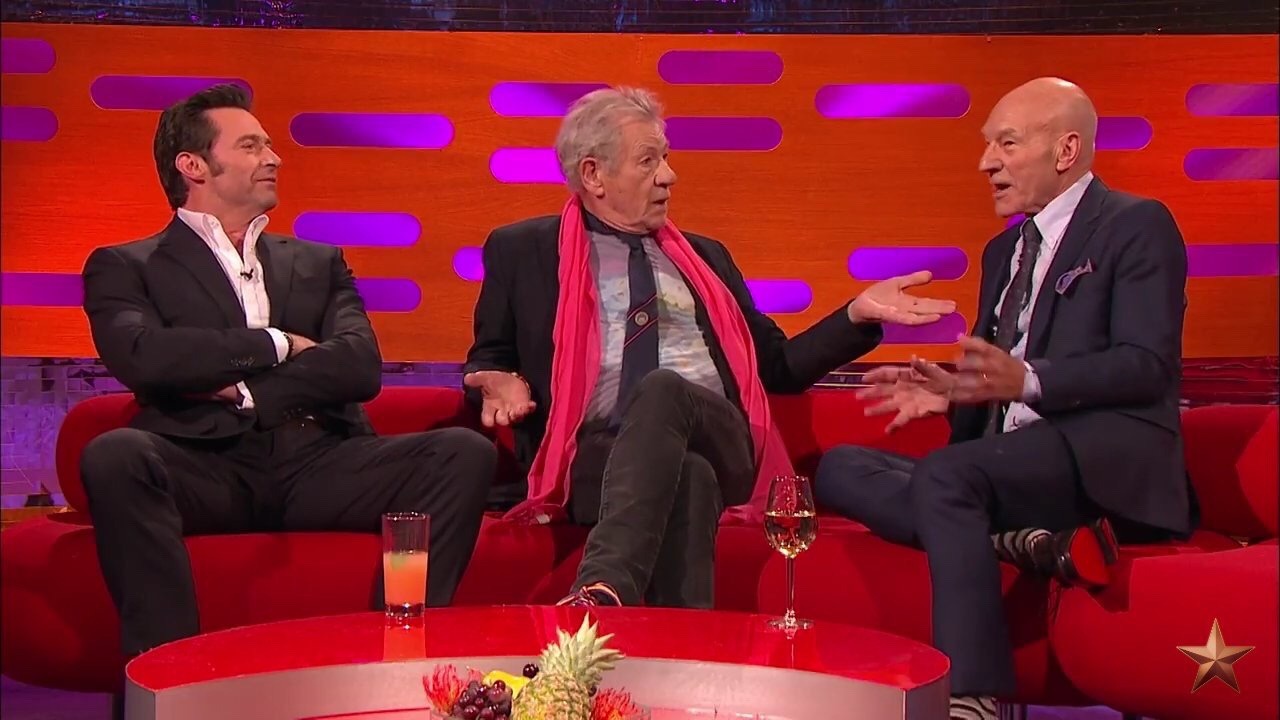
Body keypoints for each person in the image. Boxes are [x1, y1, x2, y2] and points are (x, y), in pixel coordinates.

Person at [463, 86, 955, 609]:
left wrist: (855, 315)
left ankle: (603, 588)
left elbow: (779, 367)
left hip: (721, 439)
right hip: (594, 454)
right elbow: (489, 359)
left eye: (665, 158)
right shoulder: (523, 251)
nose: (668, 175)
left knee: (663, 391)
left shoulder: (706, 258)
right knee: (689, 477)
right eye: (648, 161)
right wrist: (496, 380)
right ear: (593, 175)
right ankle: (684, 642)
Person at [813, 77, 1197, 720]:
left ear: (1066, 149)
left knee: (945, 478)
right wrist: (953, 396)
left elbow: (1147, 365)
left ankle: (971, 693)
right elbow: (995, 389)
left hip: (1099, 457)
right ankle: (1024, 541)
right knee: (838, 467)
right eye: (988, 144)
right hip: (1013, 465)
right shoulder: (1003, 252)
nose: (985, 163)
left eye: (1007, 143)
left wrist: (1030, 380)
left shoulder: (1136, 225)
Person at [79, 84, 496, 666]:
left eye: (269, 145)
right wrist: (277, 343)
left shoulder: (318, 261)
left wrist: (247, 391)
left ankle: (391, 660)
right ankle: (169, 674)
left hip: (320, 462)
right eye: (251, 146)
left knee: (461, 453)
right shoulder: (127, 266)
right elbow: (145, 357)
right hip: (207, 466)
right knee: (115, 455)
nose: (273, 158)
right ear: (193, 166)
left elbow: (359, 364)